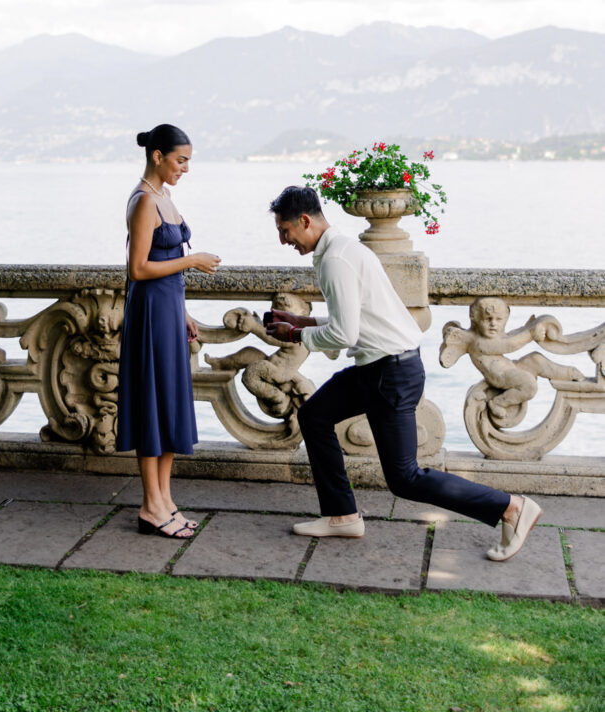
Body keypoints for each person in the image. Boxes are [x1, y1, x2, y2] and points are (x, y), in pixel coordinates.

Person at [264, 185, 541, 561]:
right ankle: (342, 515)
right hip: (379, 367)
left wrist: (295, 334)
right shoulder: (342, 250)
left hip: (389, 373)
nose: (284, 241)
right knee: (314, 415)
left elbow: (344, 334)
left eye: (285, 231)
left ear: (305, 221)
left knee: (405, 478)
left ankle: (512, 508)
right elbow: (356, 319)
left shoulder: (337, 259)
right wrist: (303, 321)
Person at [116, 124, 221, 538]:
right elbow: (138, 269)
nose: (185, 168)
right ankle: (150, 506)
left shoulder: (165, 197)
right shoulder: (144, 201)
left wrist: (184, 312)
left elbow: (166, 266)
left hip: (168, 312)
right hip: (148, 315)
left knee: (170, 402)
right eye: (181, 160)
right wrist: (193, 261)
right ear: (157, 156)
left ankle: (164, 501)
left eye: (188, 161)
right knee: (152, 404)